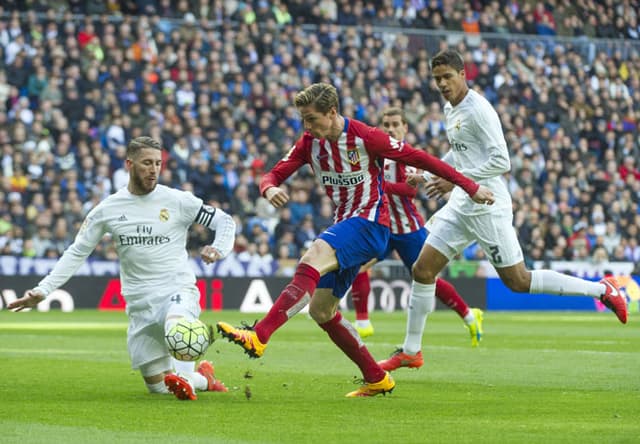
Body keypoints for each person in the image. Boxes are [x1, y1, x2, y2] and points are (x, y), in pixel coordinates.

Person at [216, 82, 495, 397]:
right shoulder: (310, 143)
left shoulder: (366, 137)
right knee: (322, 311)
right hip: (346, 222)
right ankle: (377, 378)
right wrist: (269, 188)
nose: (306, 127)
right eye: (303, 120)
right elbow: (273, 174)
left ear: (332, 112)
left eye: (311, 119)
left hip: (370, 223)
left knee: (311, 258)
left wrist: (469, 186)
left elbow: (422, 159)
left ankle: (260, 335)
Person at [402, 48, 627, 367]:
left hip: (487, 205)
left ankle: (601, 289)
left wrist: (456, 181)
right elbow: (459, 155)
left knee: (518, 281)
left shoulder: (479, 110)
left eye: (447, 77)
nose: (441, 84)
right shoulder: (450, 109)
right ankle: (411, 352)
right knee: (422, 269)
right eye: (437, 79)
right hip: (463, 202)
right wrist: (427, 174)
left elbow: (501, 160)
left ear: (463, 74)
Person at [8, 136, 237, 401]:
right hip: (140, 304)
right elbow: (77, 251)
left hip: (177, 289)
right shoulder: (108, 209)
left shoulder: (177, 200)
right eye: (147, 163)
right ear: (129, 164)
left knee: (178, 326)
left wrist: (218, 248)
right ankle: (203, 379)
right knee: (158, 387)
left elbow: (225, 221)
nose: (153, 170)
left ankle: (186, 378)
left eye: (158, 164)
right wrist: (43, 290)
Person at [348, 107, 483, 373]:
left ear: (405, 128)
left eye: (396, 124)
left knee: (427, 277)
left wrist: (376, 186)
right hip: (385, 229)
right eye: (386, 124)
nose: (390, 129)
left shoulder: (405, 156)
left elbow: (409, 190)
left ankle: (469, 315)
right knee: (357, 263)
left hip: (409, 230)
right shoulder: (379, 155)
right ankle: (363, 323)